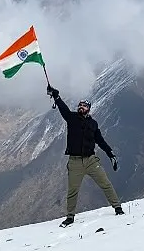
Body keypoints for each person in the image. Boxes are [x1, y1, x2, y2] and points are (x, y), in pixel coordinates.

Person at [47, 84, 124, 227]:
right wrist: (56, 97)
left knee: (106, 184)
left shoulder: (93, 124)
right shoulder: (72, 118)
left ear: (89, 108)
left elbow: (100, 141)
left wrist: (110, 153)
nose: (81, 107)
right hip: (75, 162)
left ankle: (118, 208)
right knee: (72, 191)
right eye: (80, 105)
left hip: (91, 160)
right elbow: (63, 109)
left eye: (84, 105)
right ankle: (70, 217)